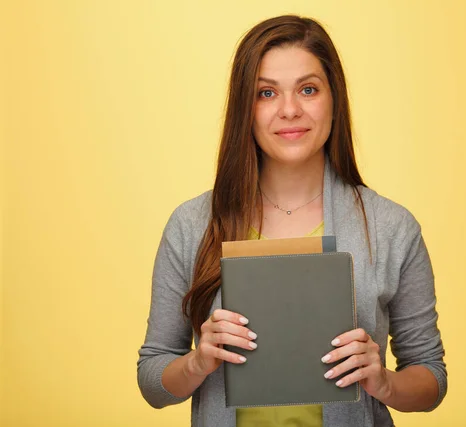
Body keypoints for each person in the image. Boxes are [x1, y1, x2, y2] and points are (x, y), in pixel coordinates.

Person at [137, 14, 447, 427]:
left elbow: (431, 378)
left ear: (334, 100)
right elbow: (152, 381)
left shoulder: (391, 227)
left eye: (308, 89)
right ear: (244, 109)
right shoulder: (192, 224)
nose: (289, 110)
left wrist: (384, 382)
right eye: (266, 93)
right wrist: (198, 361)